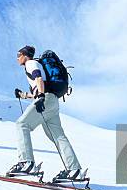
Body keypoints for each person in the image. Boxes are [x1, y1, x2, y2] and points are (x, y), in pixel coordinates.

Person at [8, 45, 83, 182]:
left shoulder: (30, 63)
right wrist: (23, 95)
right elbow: (39, 87)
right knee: (58, 136)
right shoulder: (36, 63)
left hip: (46, 99)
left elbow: (38, 79)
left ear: (25, 55)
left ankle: (26, 163)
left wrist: (41, 96)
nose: (17, 57)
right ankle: (74, 170)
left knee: (21, 124)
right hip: (52, 101)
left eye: (19, 54)